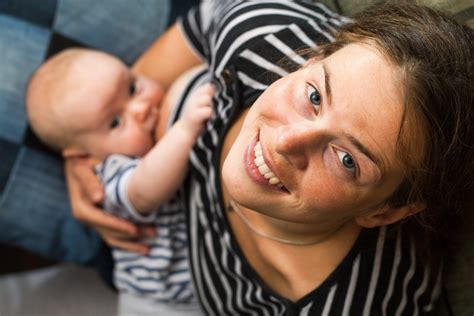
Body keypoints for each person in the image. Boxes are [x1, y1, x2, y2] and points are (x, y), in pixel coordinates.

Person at [66, 1, 473, 315]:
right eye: (314, 96)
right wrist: (96, 142)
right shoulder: (266, 40)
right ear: (313, 59)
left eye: (347, 159)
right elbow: (210, 17)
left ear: (384, 211)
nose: (285, 142)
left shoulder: (351, 305)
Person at [25, 48, 213, 315]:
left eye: (133, 87)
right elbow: (145, 191)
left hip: (206, 284)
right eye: (115, 122)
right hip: (158, 301)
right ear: (83, 156)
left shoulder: (158, 130)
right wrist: (185, 130)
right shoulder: (112, 172)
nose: (141, 109)